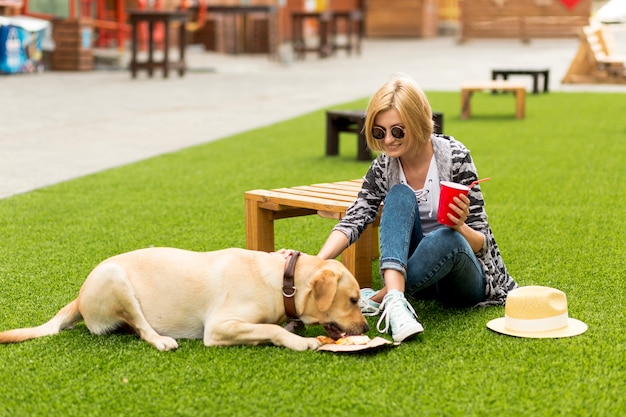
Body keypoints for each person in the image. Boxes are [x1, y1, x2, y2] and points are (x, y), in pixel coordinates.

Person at [317, 73, 517, 343]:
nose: (388, 140)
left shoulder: (455, 157)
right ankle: (396, 301)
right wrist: (318, 262)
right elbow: (356, 217)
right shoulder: (384, 167)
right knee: (399, 195)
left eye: (397, 130)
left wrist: (460, 225)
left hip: (461, 281)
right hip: (420, 281)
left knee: (447, 238)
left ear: (418, 121)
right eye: (379, 132)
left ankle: (383, 295)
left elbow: (483, 244)